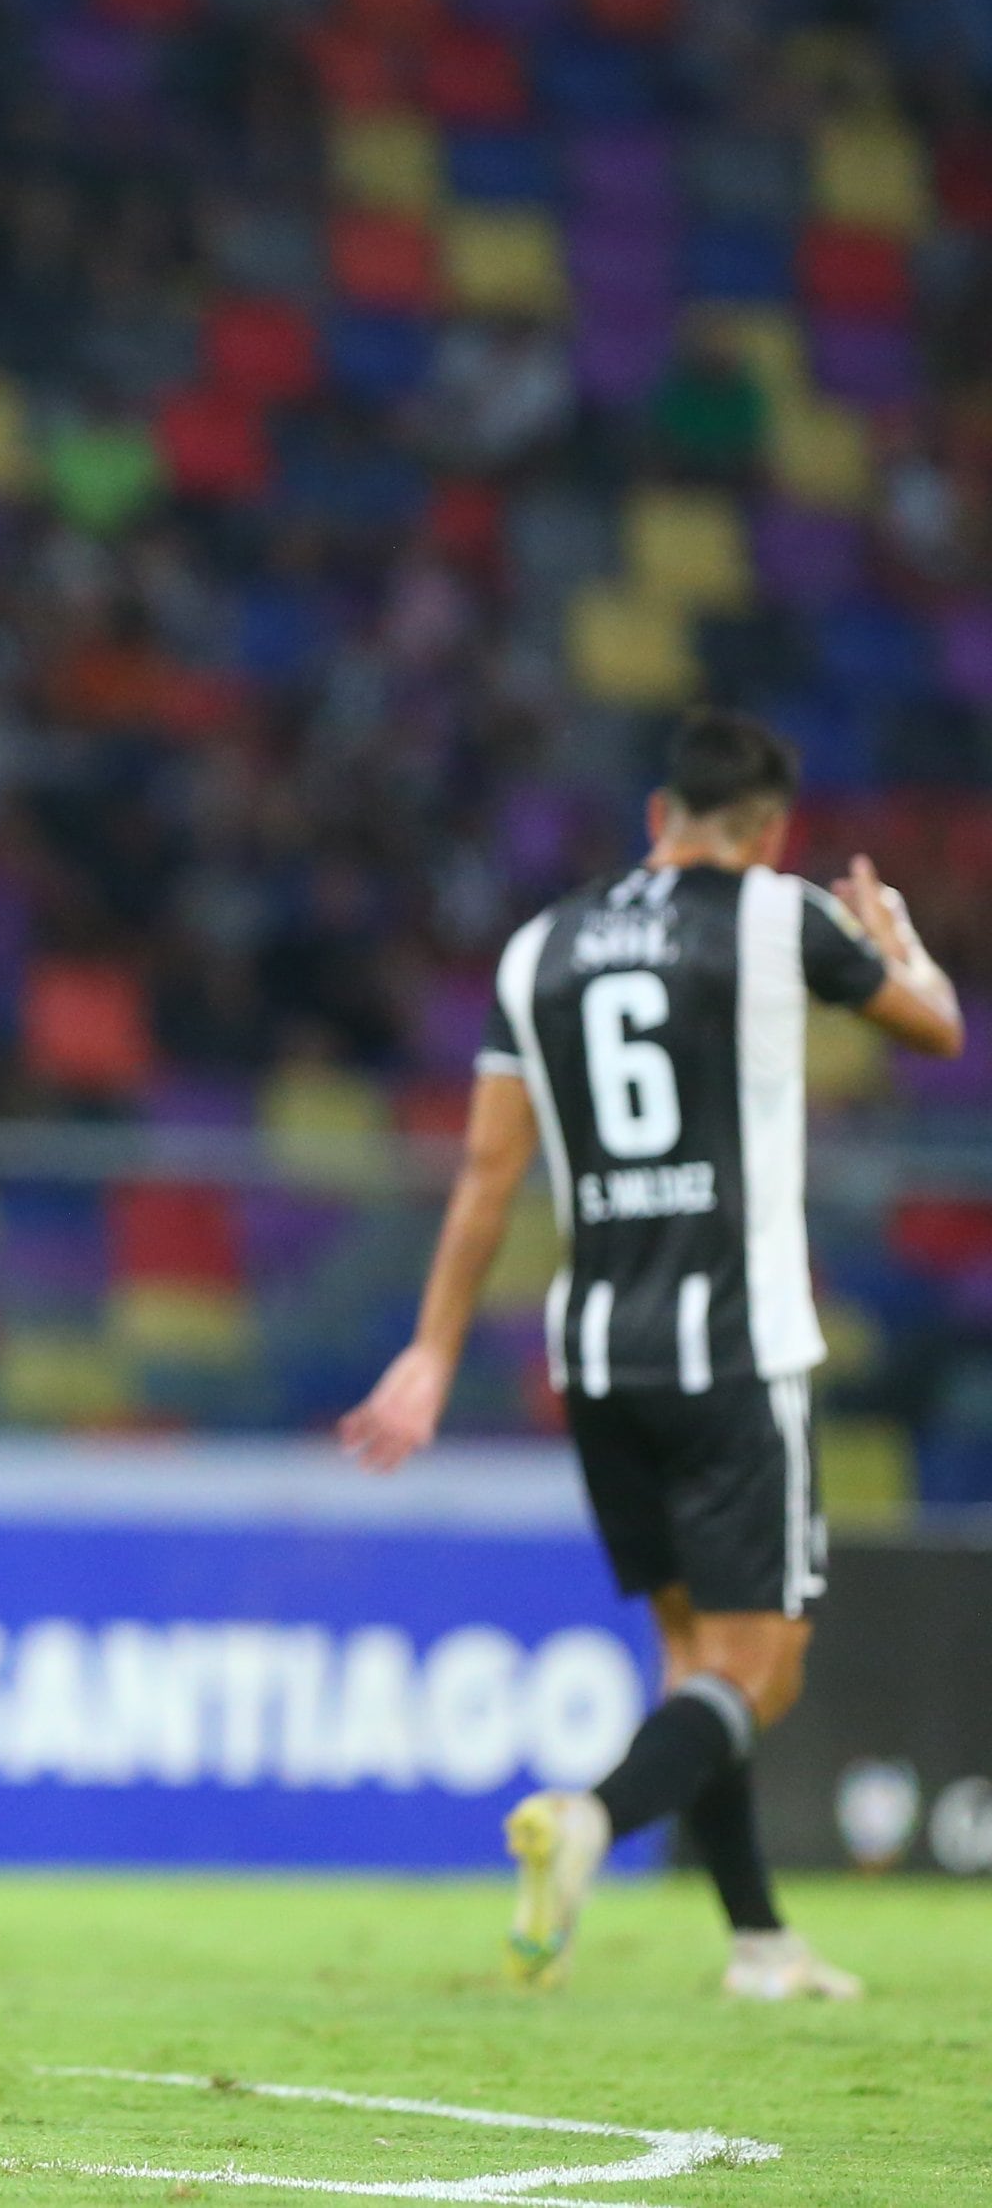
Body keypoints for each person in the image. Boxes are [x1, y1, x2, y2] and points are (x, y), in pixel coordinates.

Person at [343, 708, 960, 2002]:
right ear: (770, 830)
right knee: (763, 1664)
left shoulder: (538, 948)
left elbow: (485, 1174)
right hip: (733, 1346)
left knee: (693, 1660)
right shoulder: (781, 914)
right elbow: (937, 1031)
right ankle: (592, 1818)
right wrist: (896, 938)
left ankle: (757, 1939)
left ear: (656, 817)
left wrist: (431, 1350)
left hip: (600, 1356)